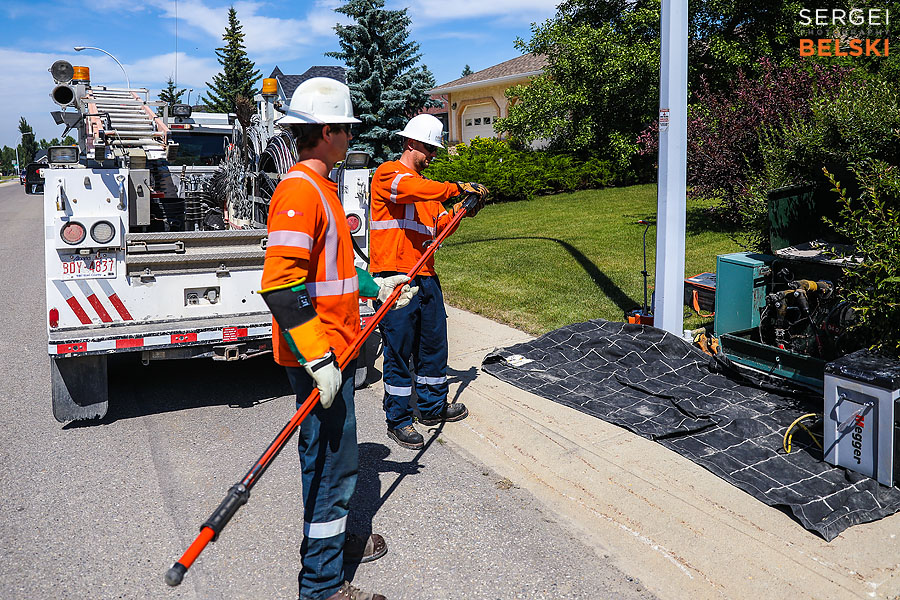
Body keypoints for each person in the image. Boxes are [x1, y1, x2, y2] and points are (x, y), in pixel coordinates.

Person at [260, 77, 416, 600]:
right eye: (346, 129)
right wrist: (319, 358)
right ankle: (322, 585)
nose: (351, 137)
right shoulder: (300, 192)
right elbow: (281, 287)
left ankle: (333, 547)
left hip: (336, 350)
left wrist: (381, 283)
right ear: (326, 131)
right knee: (329, 464)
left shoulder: (322, 189)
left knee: (336, 459)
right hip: (321, 356)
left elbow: (338, 264)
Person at [369, 114, 488, 450]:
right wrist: (459, 188)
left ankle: (432, 408)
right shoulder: (389, 174)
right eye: (429, 148)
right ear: (411, 143)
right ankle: (399, 419)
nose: (432, 155)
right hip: (394, 278)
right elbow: (412, 189)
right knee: (398, 349)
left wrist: (464, 210)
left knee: (433, 346)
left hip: (425, 276)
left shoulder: (429, 194)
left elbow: (440, 229)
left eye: (435, 149)